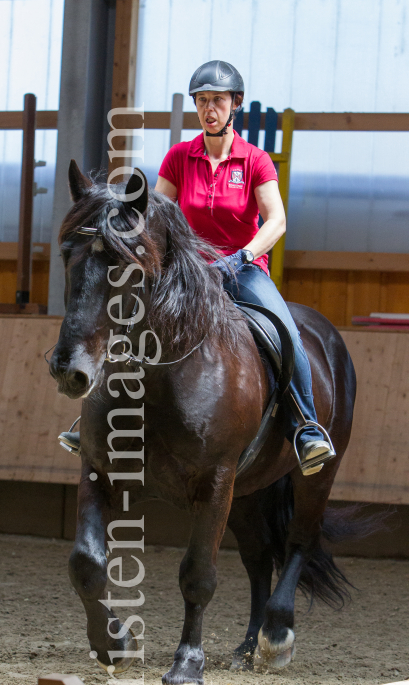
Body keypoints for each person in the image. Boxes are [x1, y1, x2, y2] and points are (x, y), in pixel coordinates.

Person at [59, 59, 335, 476]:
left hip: (242, 269)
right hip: (187, 273)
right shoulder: (179, 158)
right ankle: (95, 423)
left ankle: (306, 427)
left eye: (217, 101)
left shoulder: (255, 160)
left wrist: (241, 257)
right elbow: (152, 215)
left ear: (234, 104)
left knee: (286, 332)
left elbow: (276, 220)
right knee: (126, 319)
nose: (209, 109)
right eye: (202, 101)